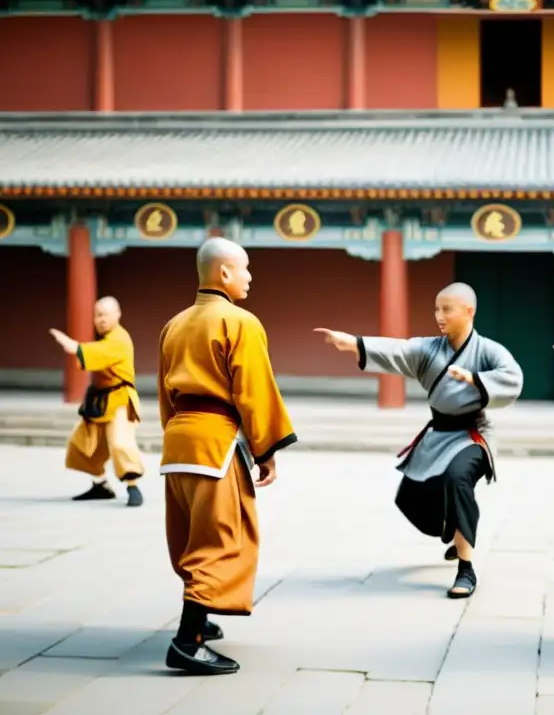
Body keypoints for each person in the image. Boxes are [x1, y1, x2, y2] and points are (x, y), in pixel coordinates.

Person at [315, 282, 523, 599]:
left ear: (469, 311)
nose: (439, 316)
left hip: (472, 435)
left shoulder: (489, 351)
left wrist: (476, 379)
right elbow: (399, 349)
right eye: (436, 309)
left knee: (457, 480)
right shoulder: (429, 349)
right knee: (409, 498)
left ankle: (466, 569)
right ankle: (455, 529)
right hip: (438, 434)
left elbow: (513, 377)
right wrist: (353, 343)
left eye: (446, 309)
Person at [158, 237, 298, 675]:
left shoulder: (174, 324)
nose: (250, 277)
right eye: (245, 269)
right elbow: (254, 391)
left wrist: (175, 434)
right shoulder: (240, 322)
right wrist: (267, 448)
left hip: (178, 441)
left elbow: (165, 393)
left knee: (190, 535)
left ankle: (202, 617)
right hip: (216, 442)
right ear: (223, 273)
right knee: (223, 537)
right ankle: (189, 639)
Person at [49, 296, 145, 507]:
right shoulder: (106, 338)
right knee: (80, 445)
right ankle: (101, 485)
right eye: (97, 315)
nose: (100, 319)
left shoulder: (119, 339)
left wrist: (73, 345)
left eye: (105, 314)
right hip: (100, 402)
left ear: (118, 315)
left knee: (121, 441)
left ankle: (133, 486)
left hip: (120, 400)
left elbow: (95, 354)